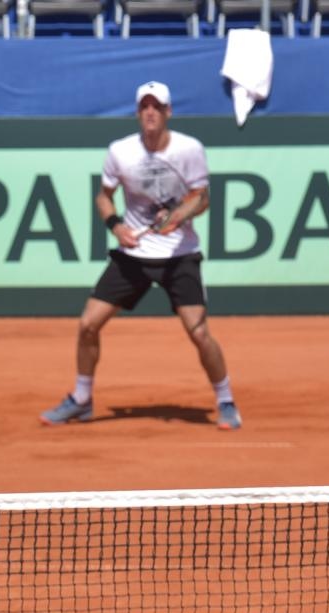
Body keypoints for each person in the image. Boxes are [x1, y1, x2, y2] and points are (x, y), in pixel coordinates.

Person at [40, 81, 241, 432]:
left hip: (180, 255)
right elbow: (104, 197)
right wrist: (116, 226)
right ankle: (82, 399)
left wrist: (176, 216)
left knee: (198, 332)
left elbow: (202, 198)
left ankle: (226, 402)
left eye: (156, 106)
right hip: (133, 255)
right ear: (137, 113)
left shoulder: (189, 149)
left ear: (168, 112)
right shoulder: (120, 151)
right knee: (88, 324)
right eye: (144, 106)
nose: (150, 112)